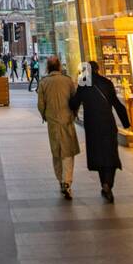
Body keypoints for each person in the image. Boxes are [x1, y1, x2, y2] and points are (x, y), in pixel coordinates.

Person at [70, 60, 130, 202]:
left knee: (98, 155)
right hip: (108, 123)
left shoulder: (84, 83)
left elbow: (74, 102)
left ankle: (104, 184)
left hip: (92, 125)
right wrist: (126, 123)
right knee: (110, 154)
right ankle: (108, 183)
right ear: (98, 69)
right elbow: (117, 104)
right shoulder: (107, 82)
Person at [37, 55, 79, 199]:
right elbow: (75, 100)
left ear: (48, 67)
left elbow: (41, 104)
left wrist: (45, 116)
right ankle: (67, 181)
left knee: (56, 153)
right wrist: (74, 114)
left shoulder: (44, 83)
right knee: (68, 152)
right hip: (67, 121)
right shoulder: (67, 81)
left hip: (53, 122)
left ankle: (61, 180)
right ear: (60, 66)